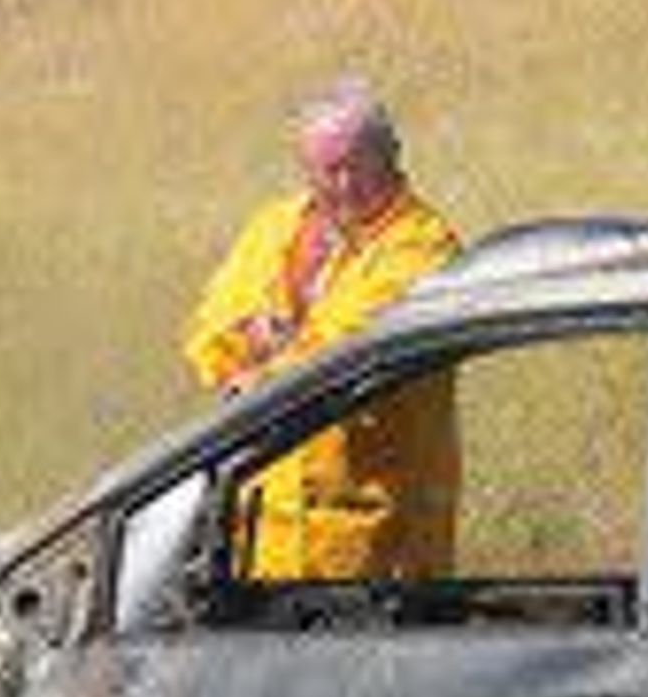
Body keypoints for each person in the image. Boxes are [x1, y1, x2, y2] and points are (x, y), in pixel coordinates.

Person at [180, 80, 464, 583]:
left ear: (392, 159)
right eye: (328, 170)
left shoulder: (423, 246)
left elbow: (345, 353)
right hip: (263, 544)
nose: (345, 184)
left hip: (372, 555)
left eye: (360, 165)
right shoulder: (274, 227)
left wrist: (270, 357)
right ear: (305, 169)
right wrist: (257, 356)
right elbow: (211, 333)